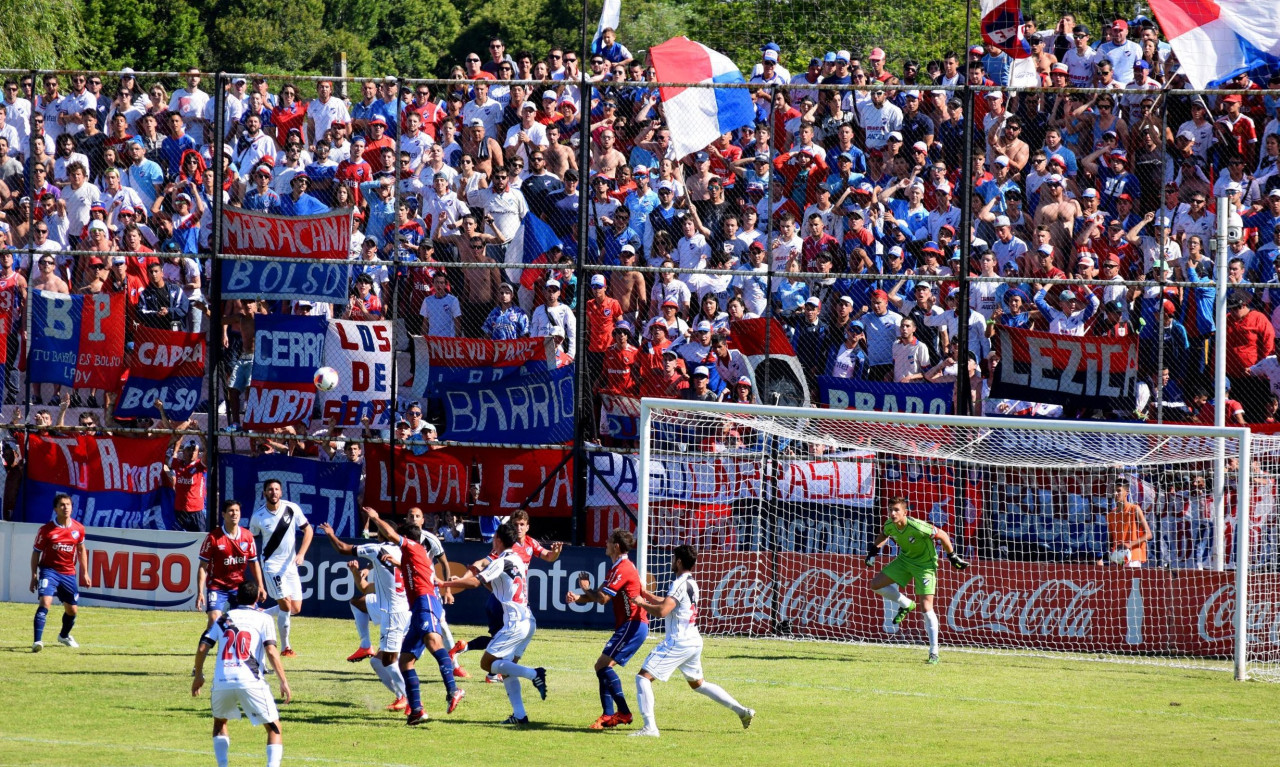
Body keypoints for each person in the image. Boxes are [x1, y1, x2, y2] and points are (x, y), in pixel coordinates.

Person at [630, 544, 754, 738]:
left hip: (678, 642)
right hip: (693, 640)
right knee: (699, 685)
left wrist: (642, 603)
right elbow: (670, 603)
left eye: (673, 559)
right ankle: (742, 711)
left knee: (643, 678)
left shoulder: (679, 583)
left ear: (679, 562)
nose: (672, 562)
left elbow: (663, 611)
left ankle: (650, 728)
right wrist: (647, 595)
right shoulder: (691, 582)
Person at [438, 522, 548, 725]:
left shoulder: (501, 561)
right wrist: (462, 580)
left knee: (487, 663)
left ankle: (534, 673)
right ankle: (520, 715)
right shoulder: (517, 559)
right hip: (527, 620)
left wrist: (446, 583)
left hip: (514, 623)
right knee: (506, 669)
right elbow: (496, 588)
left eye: (494, 537)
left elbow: (474, 582)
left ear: (498, 539)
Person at [362, 506, 463, 726]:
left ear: (406, 539)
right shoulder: (410, 556)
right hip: (416, 607)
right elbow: (412, 567)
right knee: (406, 661)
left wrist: (376, 518)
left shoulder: (414, 546)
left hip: (425, 601)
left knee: (434, 643)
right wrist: (397, 562)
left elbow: (391, 535)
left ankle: (454, 689)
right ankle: (416, 709)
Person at [452, 509, 562, 681]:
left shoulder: (530, 543)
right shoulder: (507, 547)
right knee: (504, 640)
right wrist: (463, 578)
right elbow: (481, 563)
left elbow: (549, 557)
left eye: (522, 524)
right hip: (501, 601)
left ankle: (470, 651)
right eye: (515, 524)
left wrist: (556, 553)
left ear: (527, 527)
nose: (519, 528)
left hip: (513, 599)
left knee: (504, 639)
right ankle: (492, 671)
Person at [191, 579, 291, 767]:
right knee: (274, 727)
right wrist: (283, 681)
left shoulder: (223, 618)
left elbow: (203, 647)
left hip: (222, 681)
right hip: (251, 680)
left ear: (237, 597)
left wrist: (198, 675)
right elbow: (271, 651)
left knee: (220, 723)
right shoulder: (264, 618)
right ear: (257, 598)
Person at [317, 521, 411, 711]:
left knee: (389, 661)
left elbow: (343, 548)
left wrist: (330, 534)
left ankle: (413, 701)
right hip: (396, 608)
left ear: (382, 534)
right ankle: (401, 695)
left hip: (395, 613)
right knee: (377, 661)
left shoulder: (378, 549)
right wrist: (355, 572)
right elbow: (366, 588)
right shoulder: (405, 552)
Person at [865, 497, 968, 664]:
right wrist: (873, 551)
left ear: (905, 512)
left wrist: (952, 556)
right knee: (875, 585)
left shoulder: (918, 526)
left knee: (926, 607)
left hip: (925, 566)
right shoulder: (890, 525)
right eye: (890, 509)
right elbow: (884, 534)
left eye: (896, 510)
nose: (893, 513)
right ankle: (906, 604)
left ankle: (934, 652)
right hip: (905, 560)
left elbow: (942, 534)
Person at [566, 529, 648, 729]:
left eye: (609, 540)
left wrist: (585, 587)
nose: (605, 542)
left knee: (602, 666)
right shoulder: (617, 567)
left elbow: (602, 599)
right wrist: (578, 597)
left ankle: (623, 712)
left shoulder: (623, 568)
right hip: (630, 625)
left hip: (633, 624)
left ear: (616, 546)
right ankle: (609, 714)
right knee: (602, 667)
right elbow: (599, 595)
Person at [249, 479, 313, 658]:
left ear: (281, 492)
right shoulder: (258, 516)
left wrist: (301, 554)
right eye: (270, 489)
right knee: (285, 603)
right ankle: (286, 647)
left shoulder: (291, 509)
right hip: (272, 566)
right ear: (264, 493)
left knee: (296, 608)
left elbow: (308, 530)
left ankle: (260, 614)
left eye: (277, 489)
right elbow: (251, 541)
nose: (274, 492)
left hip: (290, 566)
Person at [30, 493, 92, 652]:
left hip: (68, 573)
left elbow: (81, 550)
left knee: (72, 610)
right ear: (55, 509)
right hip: (49, 571)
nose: (66, 508)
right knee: (45, 602)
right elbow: (36, 553)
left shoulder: (78, 528)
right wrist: (34, 575)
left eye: (68, 505)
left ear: (72, 507)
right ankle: (37, 641)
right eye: (62, 505)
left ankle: (64, 636)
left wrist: (85, 573)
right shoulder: (46, 530)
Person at [196, 501, 265, 633]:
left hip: (238, 587)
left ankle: (240, 644)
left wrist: (260, 586)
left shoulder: (247, 536)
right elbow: (202, 567)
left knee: (251, 619)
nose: (234, 514)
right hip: (217, 586)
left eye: (237, 511)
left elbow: (254, 562)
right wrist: (200, 592)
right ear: (223, 514)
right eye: (231, 511)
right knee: (214, 620)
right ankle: (205, 645)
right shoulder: (213, 538)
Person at [1099, 479, 1152, 567]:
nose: (1115, 493)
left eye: (1118, 491)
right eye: (1114, 491)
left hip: (1133, 557)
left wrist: (1129, 544)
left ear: (1126, 492)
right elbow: (1110, 540)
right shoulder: (1110, 515)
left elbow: (1149, 534)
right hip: (1117, 558)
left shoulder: (1134, 509)